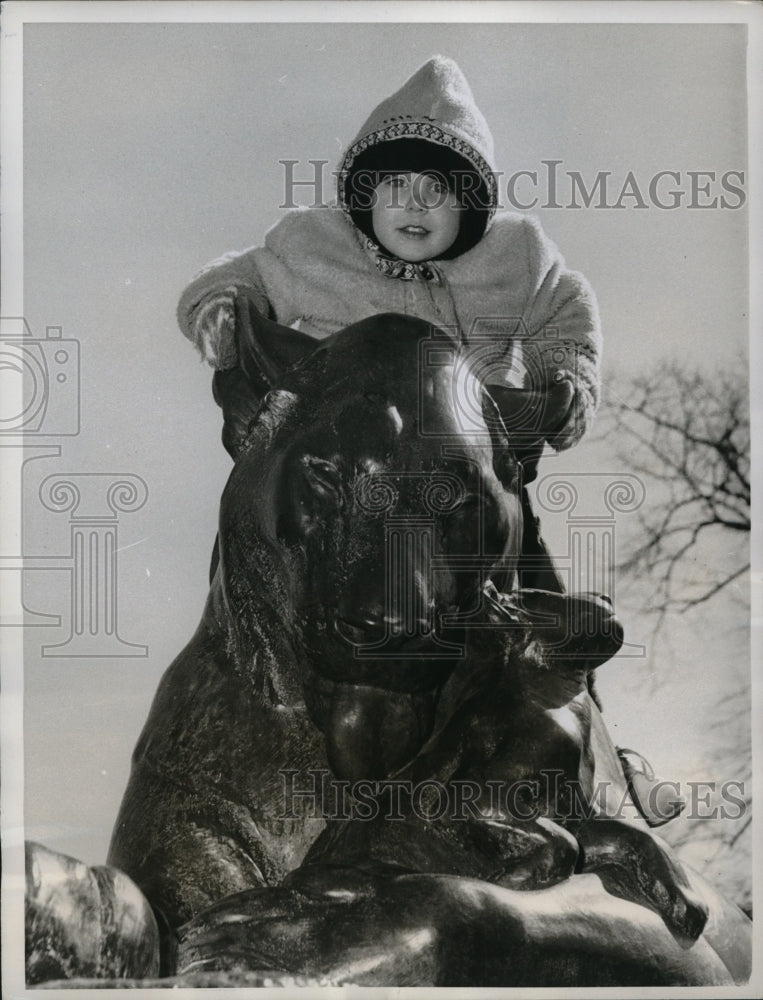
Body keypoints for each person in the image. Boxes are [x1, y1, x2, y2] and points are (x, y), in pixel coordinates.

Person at [176, 56, 682, 827]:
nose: (415, 205)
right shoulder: (311, 247)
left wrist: (564, 379)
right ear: (363, 198)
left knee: (534, 602)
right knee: (266, 549)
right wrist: (222, 310)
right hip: (348, 477)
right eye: (395, 187)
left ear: (470, 207)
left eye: (438, 191)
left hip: (459, 494)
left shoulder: (515, 261)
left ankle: (598, 745)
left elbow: (565, 314)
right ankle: (232, 705)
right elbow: (232, 276)